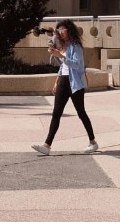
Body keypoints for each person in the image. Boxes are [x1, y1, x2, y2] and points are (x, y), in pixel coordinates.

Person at [32, 19, 98, 154]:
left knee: (81, 113)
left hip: (75, 83)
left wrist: (59, 55)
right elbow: (63, 66)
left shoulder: (76, 46)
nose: (60, 33)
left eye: (63, 30)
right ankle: (47, 145)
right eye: (59, 31)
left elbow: (77, 65)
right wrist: (57, 81)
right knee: (56, 113)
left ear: (69, 30)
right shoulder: (63, 45)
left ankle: (93, 142)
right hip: (63, 81)